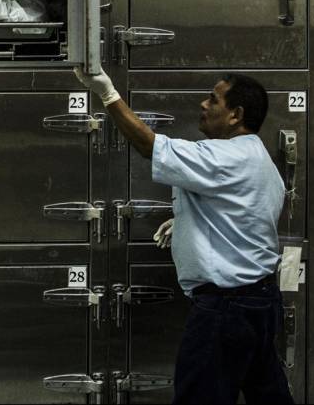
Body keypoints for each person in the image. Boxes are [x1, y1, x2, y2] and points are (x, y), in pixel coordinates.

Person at [75, 66, 293, 405]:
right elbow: (244, 216)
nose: (203, 104)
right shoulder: (257, 157)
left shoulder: (226, 156)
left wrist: (107, 93)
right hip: (259, 304)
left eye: (213, 99)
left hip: (225, 308)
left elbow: (150, 146)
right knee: (268, 396)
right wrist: (188, 221)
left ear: (235, 115)